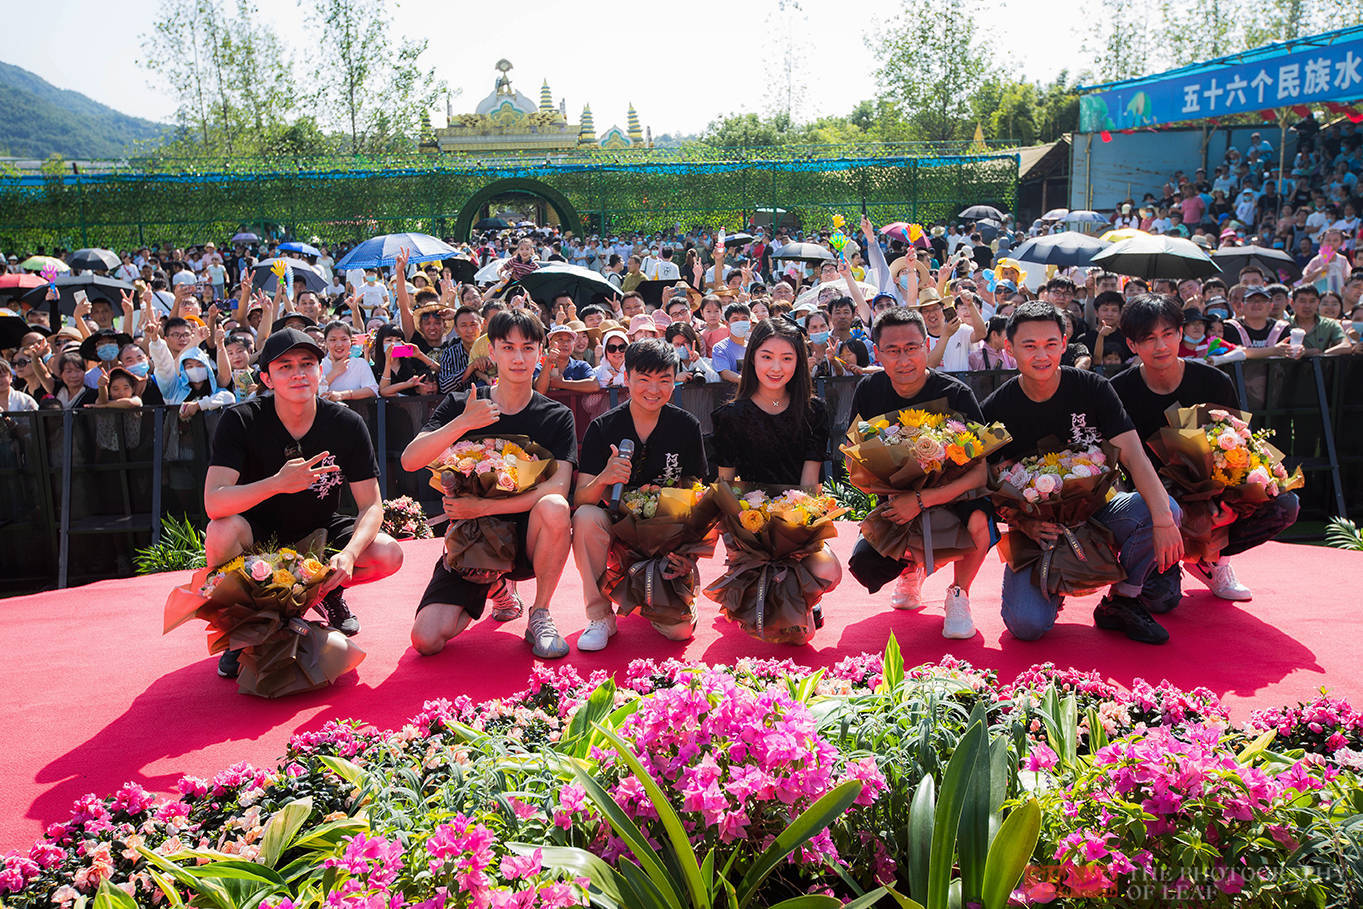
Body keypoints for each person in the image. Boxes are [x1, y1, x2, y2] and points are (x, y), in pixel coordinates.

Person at [203, 328, 404, 679]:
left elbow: (371, 505)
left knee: (388, 553)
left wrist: (351, 554)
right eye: (285, 366)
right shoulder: (240, 419)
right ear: (266, 377)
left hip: (318, 534)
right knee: (221, 530)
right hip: (258, 540)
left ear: (320, 371)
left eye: (307, 364)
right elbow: (214, 502)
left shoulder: (346, 423)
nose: (298, 374)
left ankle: (326, 593)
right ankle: (241, 628)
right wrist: (277, 484)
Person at [982, 302, 1184, 645]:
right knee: (1026, 626)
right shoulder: (996, 408)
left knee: (1163, 509)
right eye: (1029, 346)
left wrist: (1165, 521)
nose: (1041, 355)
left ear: (1064, 342)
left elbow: (1134, 456)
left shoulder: (1093, 388)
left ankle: (1123, 599)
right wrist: (1023, 523)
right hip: (1040, 529)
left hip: (1101, 510)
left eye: (1050, 344)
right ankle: (1054, 583)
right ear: (1009, 349)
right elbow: (986, 486)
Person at [400, 309, 576, 660]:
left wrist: (486, 506)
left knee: (555, 508)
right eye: (507, 347)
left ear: (540, 353)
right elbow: (410, 460)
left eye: (527, 348)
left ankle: (539, 613)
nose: (518, 357)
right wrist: (461, 424)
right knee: (426, 640)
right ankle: (498, 588)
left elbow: (557, 488)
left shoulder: (556, 416)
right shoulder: (463, 404)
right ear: (491, 352)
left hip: (528, 540)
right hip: (473, 542)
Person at [1111, 294, 1300, 606]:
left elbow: (1239, 445)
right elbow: (1116, 467)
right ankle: (1156, 563)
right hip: (1155, 504)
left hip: (1213, 492)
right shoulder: (1118, 390)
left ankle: (1213, 559)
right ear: (1132, 345)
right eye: (1149, 339)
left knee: (1284, 502)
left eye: (1168, 335)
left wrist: (1228, 507)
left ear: (1181, 334)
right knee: (1160, 601)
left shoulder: (1214, 381)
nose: (1160, 346)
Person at [845, 308, 995, 638]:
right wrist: (878, 483)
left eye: (912, 348)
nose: (904, 359)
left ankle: (959, 593)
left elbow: (981, 472)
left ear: (927, 345)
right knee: (865, 564)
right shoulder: (869, 391)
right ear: (878, 352)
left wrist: (923, 498)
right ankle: (911, 569)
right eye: (893, 350)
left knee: (981, 521)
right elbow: (853, 456)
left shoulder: (955, 394)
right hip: (897, 495)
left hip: (954, 493)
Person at [572, 339, 711, 651]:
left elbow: (698, 498)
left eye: (664, 380)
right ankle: (599, 615)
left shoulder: (686, 426)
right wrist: (605, 478)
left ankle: (679, 591)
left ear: (675, 379)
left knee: (679, 633)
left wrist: (688, 555)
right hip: (618, 535)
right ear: (626, 378)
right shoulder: (603, 427)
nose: (654, 389)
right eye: (644, 379)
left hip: (667, 541)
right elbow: (581, 498)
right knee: (585, 517)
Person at [710, 318, 841, 604]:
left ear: (799, 362)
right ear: (752, 357)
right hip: (748, 521)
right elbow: (726, 484)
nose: (776, 368)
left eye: (787, 358)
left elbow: (810, 481)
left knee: (828, 571)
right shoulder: (731, 416)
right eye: (766, 357)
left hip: (795, 518)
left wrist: (805, 527)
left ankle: (806, 596)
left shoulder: (814, 410)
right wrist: (742, 532)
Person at [318, 321, 379, 403]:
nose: (339, 344)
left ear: (351, 341)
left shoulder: (360, 363)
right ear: (325, 342)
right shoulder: (319, 365)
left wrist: (342, 395)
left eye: (344, 339)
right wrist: (334, 373)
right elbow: (315, 393)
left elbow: (372, 390)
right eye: (333, 340)